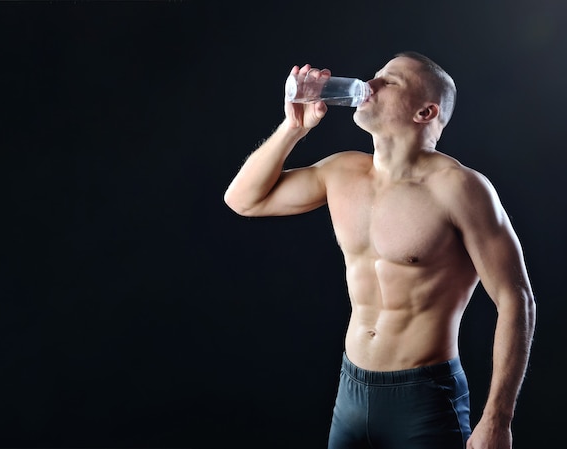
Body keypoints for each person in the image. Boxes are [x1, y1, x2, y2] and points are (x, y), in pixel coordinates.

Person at [223, 51, 536, 449]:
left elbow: (517, 299)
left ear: (425, 112)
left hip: (423, 399)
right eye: (375, 76)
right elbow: (243, 200)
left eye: (390, 81)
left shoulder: (460, 189)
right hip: (351, 390)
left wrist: (498, 419)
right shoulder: (341, 171)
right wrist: (292, 129)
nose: (369, 85)